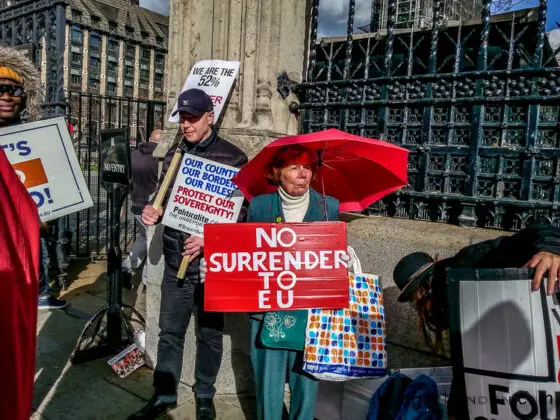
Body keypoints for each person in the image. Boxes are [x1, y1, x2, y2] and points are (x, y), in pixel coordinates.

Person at [128, 88, 248, 420]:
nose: (186, 124)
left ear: (211, 116)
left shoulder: (234, 158)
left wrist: (211, 239)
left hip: (212, 265)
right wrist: (155, 211)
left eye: (193, 117)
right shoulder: (174, 155)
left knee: (209, 334)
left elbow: (242, 214)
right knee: (170, 332)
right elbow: (166, 201)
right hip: (174, 260)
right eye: (182, 117)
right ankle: (164, 394)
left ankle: (205, 395)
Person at [393, 224, 560, 419]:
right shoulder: (451, 295)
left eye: (416, 302)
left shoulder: (466, 263)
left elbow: (539, 229)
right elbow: (466, 361)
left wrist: (551, 250)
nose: (420, 311)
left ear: (424, 291)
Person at [245, 144, 341, 420]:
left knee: (306, 380)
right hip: (267, 310)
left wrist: (341, 258)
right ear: (277, 173)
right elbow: (247, 252)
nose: (303, 174)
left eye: (308, 168)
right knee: (268, 382)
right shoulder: (260, 205)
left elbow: (332, 255)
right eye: (294, 168)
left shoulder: (329, 206)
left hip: (310, 310)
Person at [0, 46, 66, 310]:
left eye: (14, 90)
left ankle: (40, 294)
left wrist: (46, 216)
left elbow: (51, 186)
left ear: (25, 97)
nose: (6, 96)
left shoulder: (37, 139)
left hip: (24, 233)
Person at [122, 129, 163, 289]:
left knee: (143, 239)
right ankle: (148, 280)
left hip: (136, 204)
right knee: (153, 244)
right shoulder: (159, 159)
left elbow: (127, 179)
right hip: (151, 208)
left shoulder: (134, 155)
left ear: (148, 138)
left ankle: (127, 267)